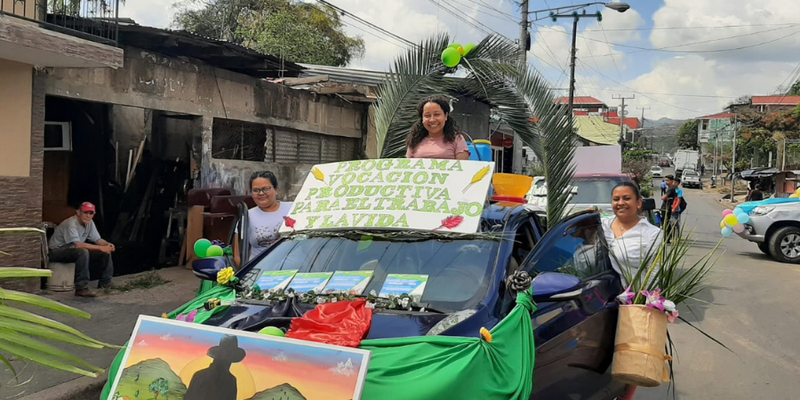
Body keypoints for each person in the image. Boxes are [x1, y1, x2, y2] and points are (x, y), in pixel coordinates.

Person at [601, 182, 663, 400]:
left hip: (632, 305)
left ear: (638, 203)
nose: (621, 203)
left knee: (630, 359)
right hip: (601, 301)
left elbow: (655, 272)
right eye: (616, 199)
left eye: (626, 198)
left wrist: (647, 307)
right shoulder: (603, 226)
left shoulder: (652, 234)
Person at [48, 202, 115, 298]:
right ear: (78, 213)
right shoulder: (71, 223)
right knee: (83, 252)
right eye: (85, 213)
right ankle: (81, 288)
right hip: (56, 251)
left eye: (91, 213)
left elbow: (97, 239)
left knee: (104, 252)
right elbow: (78, 245)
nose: (88, 216)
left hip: (72, 249)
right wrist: (101, 247)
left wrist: (108, 245)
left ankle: (106, 282)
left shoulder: (89, 222)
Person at [233, 171, 293, 267]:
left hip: (294, 270)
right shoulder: (247, 216)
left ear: (276, 189)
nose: (261, 193)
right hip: (259, 272)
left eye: (265, 189)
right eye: (256, 190)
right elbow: (237, 255)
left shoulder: (292, 209)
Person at [405, 96, 470, 160]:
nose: (432, 120)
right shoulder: (414, 140)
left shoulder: (457, 140)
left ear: (446, 116)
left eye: (437, 114)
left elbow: (463, 165)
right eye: (427, 116)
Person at [661, 175, 684, 244]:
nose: (666, 182)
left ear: (672, 181)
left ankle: (668, 238)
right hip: (668, 208)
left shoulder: (672, 189)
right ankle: (668, 238)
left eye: (667, 180)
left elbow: (664, 197)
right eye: (665, 180)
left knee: (667, 224)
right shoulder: (671, 188)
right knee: (668, 223)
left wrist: (675, 208)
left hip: (667, 208)